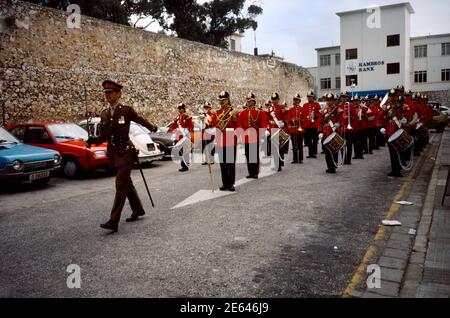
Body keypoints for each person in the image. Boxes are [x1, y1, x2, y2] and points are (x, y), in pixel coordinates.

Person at [87, 80, 158, 232]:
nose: (108, 95)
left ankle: (113, 221)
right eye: (106, 93)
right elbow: (104, 136)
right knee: (127, 184)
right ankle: (138, 209)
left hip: (126, 152)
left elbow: (140, 120)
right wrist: (93, 140)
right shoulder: (104, 114)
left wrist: (152, 127)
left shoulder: (126, 110)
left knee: (120, 184)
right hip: (114, 153)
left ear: (119, 94)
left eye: (111, 92)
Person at [212, 91, 240, 191]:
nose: (221, 102)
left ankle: (231, 183)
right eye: (220, 100)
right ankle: (225, 183)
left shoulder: (234, 112)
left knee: (230, 163)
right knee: (222, 164)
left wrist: (235, 119)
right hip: (220, 140)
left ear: (228, 100)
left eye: (223, 100)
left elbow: (238, 126)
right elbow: (214, 126)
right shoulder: (217, 113)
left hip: (230, 139)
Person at [237, 92, 268, 179]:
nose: (249, 103)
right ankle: (250, 172)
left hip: (255, 135)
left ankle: (255, 172)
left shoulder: (258, 112)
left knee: (254, 155)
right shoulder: (243, 113)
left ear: (254, 102)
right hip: (246, 137)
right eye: (248, 101)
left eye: (251, 101)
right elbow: (240, 125)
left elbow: (262, 125)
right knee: (248, 154)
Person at [320, 93, 342, 174]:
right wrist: (320, 131)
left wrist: (338, 124)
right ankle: (329, 166)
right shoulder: (325, 110)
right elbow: (321, 121)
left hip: (333, 132)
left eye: (330, 100)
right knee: (326, 151)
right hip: (325, 132)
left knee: (333, 150)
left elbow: (341, 120)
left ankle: (333, 166)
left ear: (333, 100)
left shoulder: (337, 110)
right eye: (327, 100)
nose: (329, 102)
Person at [168, 103, 194, 172]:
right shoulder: (177, 117)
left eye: (181, 109)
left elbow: (191, 126)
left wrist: (190, 135)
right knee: (180, 151)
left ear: (184, 109)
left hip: (185, 136)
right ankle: (184, 164)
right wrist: (170, 129)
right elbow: (174, 125)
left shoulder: (187, 117)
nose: (179, 110)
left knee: (184, 151)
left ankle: (185, 166)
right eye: (179, 109)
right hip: (179, 137)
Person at [267, 92, 289, 171]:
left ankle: (279, 165)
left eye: (275, 99)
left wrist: (283, 123)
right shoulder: (269, 109)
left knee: (279, 148)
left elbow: (286, 117)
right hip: (273, 129)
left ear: (278, 100)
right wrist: (268, 129)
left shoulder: (281, 108)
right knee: (274, 148)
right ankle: (276, 164)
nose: (274, 101)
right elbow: (268, 120)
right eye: (273, 99)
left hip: (279, 129)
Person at [302, 90, 321, 159]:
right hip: (307, 125)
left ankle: (314, 151)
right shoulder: (305, 105)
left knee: (315, 139)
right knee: (309, 140)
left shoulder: (317, 105)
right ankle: (310, 153)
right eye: (308, 97)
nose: (309, 98)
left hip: (314, 125)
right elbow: (303, 115)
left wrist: (315, 116)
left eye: (311, 97)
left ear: (313, 97)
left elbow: (319, 114)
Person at [287, 93, 305, 164]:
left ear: (299, 101)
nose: (295, 101)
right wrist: (293, 120)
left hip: (300, 129)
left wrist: (299, 120)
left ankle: (300, 159)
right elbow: (288, 119)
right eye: (294, 100)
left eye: (297, 100)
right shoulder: (291, 109)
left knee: (300, 144)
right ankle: (295, 159)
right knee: (294, 145)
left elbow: (305, 120)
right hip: (293, 129)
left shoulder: (302, 109)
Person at [339, 91, 356, 165]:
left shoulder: (351, 106)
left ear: (347, 98)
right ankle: (343, 159)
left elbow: (355, 117)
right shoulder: (338, 106)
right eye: (342, 97)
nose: (343, 98)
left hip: (349, 129)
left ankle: (348, 160)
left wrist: (349, 117)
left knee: (349, 145)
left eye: (345, 97)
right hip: (341, 128)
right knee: (342, 145)